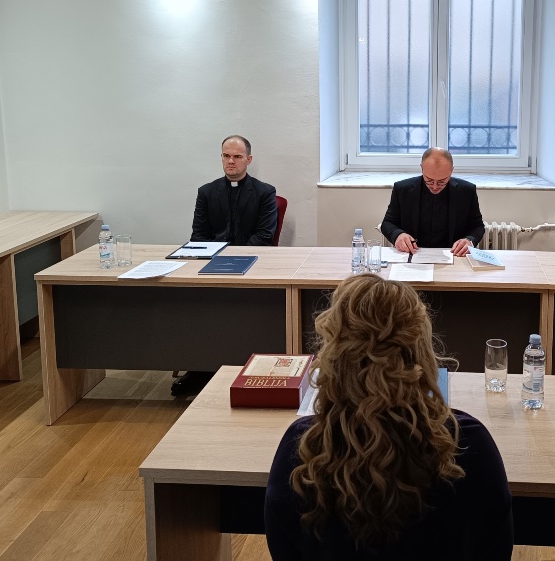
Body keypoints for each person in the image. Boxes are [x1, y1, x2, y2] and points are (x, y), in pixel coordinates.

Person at [264, 274, 514, 560]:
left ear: (334, 353)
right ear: (422, 352)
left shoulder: (301, 451)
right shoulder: (469, 445)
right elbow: (497, 550)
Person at [172, 134, 278, 397]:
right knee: (195, 307)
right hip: (212, 266)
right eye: (226, 156)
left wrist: (234, 259)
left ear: (248, 160)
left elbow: (264, 237)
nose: (231, 161)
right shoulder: (206, 192)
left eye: (237, 156)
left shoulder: (265, 192)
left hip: (253, 266)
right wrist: (218, 260)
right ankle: (200, 369)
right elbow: (198, 236)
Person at [380, 148, 484, 257]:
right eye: (429, 180)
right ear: (422, 168)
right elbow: (387, 223)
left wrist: (469, 240)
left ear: (451, 171)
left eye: (441, 181)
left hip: (453, 256)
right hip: (412, 255)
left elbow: (477, 226)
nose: (434, 186)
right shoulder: (402, 189)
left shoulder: (467, 191)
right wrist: (398, 235)